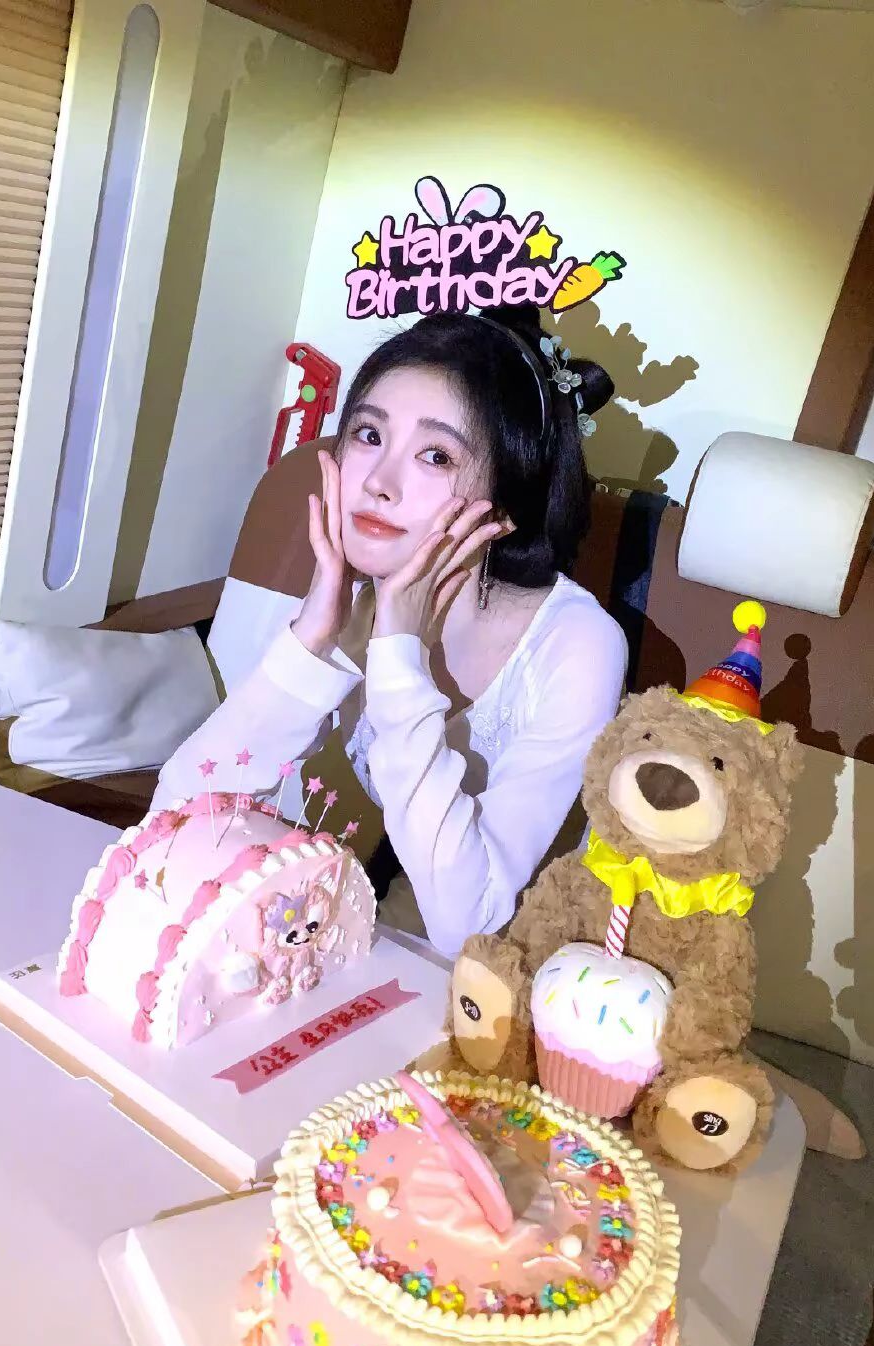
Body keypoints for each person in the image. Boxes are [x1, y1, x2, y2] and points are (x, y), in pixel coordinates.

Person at [154, 304, 628, 955]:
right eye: (369, 435)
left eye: (435, 455)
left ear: (508, 502)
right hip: (397, 942)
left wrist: (399, 652)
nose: (379, 482)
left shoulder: (578, 644)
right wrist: (313, 637)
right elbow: (178, 813)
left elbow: (470, 920)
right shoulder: (353, 604)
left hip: (540, 967)